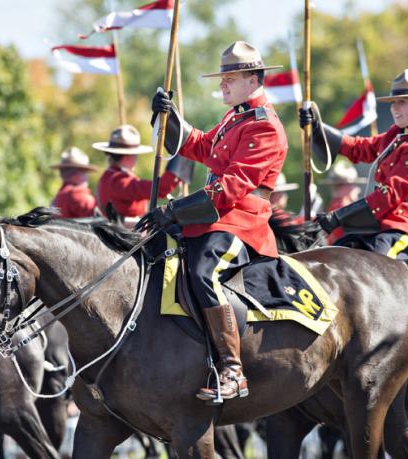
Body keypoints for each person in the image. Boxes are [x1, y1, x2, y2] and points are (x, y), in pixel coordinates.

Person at [146, 41, 288, 401]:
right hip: (216, 217)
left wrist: (175, 210)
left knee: (202, 273)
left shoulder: (264, 125)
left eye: (231, 77)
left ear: (254, 79)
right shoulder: (235, 117)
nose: (223, 83)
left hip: (242, 222)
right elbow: (201, 147)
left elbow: (232, 187)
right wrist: (170, 117)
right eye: (222, 77)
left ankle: (232, 369)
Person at [300, 68, 408, 258]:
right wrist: (318, 127)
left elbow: (388, 195)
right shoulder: (397, 135)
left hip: (402, 227)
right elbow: (359, 148)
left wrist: (337, 217)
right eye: (393, 102)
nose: (394, 108)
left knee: (373, 270)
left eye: (402, 102)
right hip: (377, 226)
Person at [94, 124, 192, 221]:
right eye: (135, 155)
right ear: (128, 156)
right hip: (126, 234)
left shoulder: (107, 176)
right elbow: (162, 188)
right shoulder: (120, 181)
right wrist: (182, 153)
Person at [318, 160, 366, 245]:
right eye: (352, 184)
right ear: (342, 187)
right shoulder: (342, 207)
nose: (357, 189)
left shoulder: (336, 205)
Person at [50, 146, 98, 219]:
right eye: (84, 172)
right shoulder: (80, 196)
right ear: (76, 174)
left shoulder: (60, 195)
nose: (87, 177)